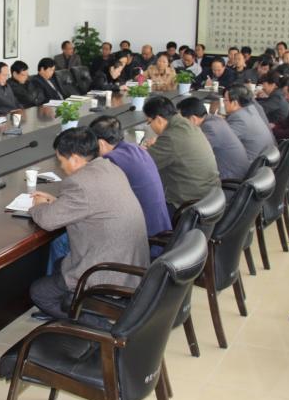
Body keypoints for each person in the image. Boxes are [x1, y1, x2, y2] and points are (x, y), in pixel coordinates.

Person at [28, 127, 149, 320]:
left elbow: (47, 221)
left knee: (39, 292)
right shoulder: (110, 168)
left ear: (75, 159)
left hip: (107, 273)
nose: (61, 167)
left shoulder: (80, 183)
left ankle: (98, 327)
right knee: (60, 263)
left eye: (61, 160)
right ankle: (77, 309)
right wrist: (58, 202)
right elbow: (93, 204)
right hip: (131, 266)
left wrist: (38, 205)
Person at [89, 116, 172, 247]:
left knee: (65, 241)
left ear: (101, 143)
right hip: (161, 231)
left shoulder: (111, 161)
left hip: (145, 240)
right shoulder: (136, 149)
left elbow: (94, 200)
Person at [141, 96, 221, 215]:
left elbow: (143, 166)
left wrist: (138, 151)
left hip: (188, 206)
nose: (150, 126)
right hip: (210, 198)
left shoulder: (171, 137)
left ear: (158, 119)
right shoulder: (186, 124)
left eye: (149, 122)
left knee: (142, 202)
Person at [178, 97, 250, 181]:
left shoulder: (209, 128)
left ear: (193, 119)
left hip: (229, 178)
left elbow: (192, 154)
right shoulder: (215, 119)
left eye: (182, 122)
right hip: (236, 172)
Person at [225, 85, 277, 161]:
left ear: (235, 103)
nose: (223, 103)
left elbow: (222, 140)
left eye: (225, 100)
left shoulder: (239, 118)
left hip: (252, 164)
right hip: (265, 159)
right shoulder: (252, 109)